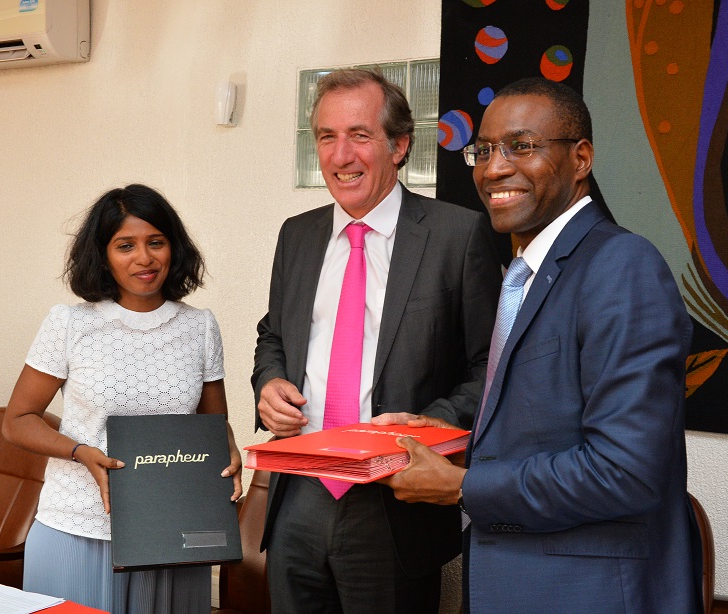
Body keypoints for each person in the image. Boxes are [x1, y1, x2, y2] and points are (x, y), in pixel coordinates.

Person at [376, 77, 700, 613]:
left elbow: (625, 472)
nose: (494, 168)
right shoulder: (526, 272)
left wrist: (462, 485)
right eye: (483, 150)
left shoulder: (622, 267)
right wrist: (458, 437)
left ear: (581, 158)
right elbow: (540, 423)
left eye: (522, 146)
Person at [252, 68, 501, 613]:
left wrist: (426, 424)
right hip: (299, 491)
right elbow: (273, 334)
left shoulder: (458, 236)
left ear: (400, 144)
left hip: (396, 499)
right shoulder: (297, 235)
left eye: (360, 135)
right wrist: (269, 382)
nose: (341, 155)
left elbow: (492, 367)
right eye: (327, 136)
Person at [2, 183, 242, 613]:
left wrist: (229, 450)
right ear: (104, 255)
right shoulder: (70, 324)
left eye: (156, 242)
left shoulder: (200, 327)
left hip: (171, 533)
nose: (144, 258)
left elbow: (211, 427)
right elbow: (17, 420)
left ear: (174, 248)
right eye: (125, 245)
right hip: (79, 527)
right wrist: (80, 452)